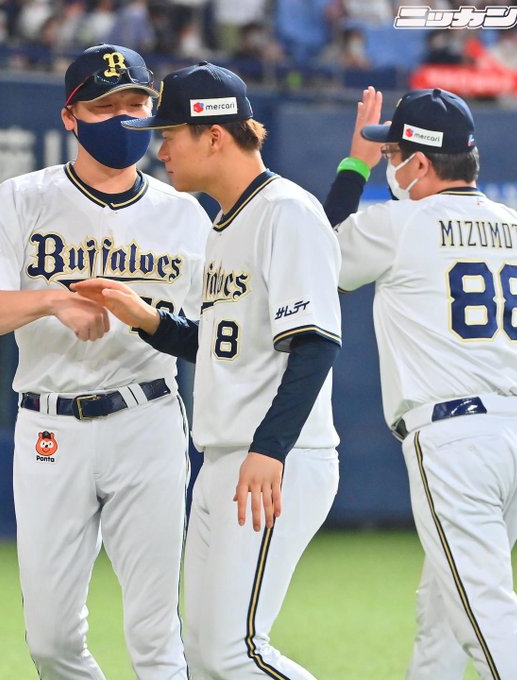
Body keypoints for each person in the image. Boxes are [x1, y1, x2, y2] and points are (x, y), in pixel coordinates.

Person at [0, 43, 210, 679]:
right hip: (49, 426)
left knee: (156, 638)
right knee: (51, 640)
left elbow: (218, 333)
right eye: (104, 105)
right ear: (70, 116)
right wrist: (49, 300)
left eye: (136, 103)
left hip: (147, 416)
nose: (124, 117)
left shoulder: (183, 213)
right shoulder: (23, 197)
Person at [73, 61, 342, 679]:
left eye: (170, 134)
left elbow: (315, 344)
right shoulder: (225, 222)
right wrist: (147, 319)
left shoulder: (286, 212)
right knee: (202, 657)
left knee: (233, 653)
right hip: (226, 456)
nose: (160, 149)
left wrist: (270, 449)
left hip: (274, 458)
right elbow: (225, 346)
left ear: (215, 135)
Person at [325, 86, 517, 679]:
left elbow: (314, 259)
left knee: (483, 618)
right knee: (441, 611)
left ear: (419, 162)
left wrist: (354, 165)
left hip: (457, 442)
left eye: (391, 154)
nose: (387, 162)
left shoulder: (400, 223)